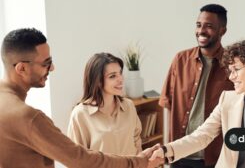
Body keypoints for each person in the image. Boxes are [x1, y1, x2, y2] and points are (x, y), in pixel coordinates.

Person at [0, 28, 162, 168]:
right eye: (46, 63)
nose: (52, 68)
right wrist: (138, 163)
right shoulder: (29, 118)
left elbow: (136, 140)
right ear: (21, 68)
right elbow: (81, 160)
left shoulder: (128, 106)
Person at [150, 39, 245, 168]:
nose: (231, 77)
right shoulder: (227, 100)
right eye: (230, 70)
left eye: (236, 69)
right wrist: (166, 150)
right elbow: (201, 136)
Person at [159, 4, 233, 168]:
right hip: (179, 155)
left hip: (215, 158)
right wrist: (165, 152)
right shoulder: (180, 60)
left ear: (222, 30)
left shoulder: (232, 65)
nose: (201, 31)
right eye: (199, 25)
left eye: (209, 26)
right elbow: (167, 105)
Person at [67, 53, 142, 156]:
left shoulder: (128, 106)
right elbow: (76, 158)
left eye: (120, 73)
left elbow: (137, 142)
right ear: (98, 81)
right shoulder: (80, 114)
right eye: (112, 76)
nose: (120, 79)